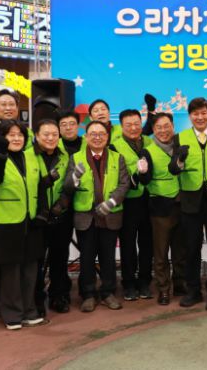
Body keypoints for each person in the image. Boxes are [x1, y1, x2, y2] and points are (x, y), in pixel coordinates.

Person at [0, 120, 45, 330]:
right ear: (1, 138)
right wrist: (1, 154)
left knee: (30, 270)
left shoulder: (32, 159)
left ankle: (30, 310)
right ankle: (12, 313)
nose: (16, 138)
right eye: (11, 135)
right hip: (7, 222)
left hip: (31, 221)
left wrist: (42, 213)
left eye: (20, 135)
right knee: (11, 272)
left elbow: (41, 186)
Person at [63, 120, 130, 312]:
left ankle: (108, 292)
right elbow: (67, 187)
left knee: (108, 257)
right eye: (93, 134)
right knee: (87, 257)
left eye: (101, 134)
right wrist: (75, 177)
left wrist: (112, 202)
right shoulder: (76, 158)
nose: (97, 137)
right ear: (86, 137)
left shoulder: (118, 158)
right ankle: (88, 294)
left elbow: (124, 184)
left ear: (107, 137)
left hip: (110, 215)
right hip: (86, 217)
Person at [169, 98, 207, 310]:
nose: (200, 117)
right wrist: (180, 161)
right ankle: (193, 291)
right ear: (190, 116)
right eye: (195, 114)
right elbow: (173, 169)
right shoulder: (180, 137)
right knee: (191, 249)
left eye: (203, 113)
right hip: (190, 201)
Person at [137, 113, 187, 306]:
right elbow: (145, 179)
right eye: (159, 127)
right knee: (160, 253)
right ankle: (164, 289)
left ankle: (180, 283)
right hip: (160, 209)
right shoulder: (147, 151)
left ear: (173, 126)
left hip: (183, 205)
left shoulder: (180, 146)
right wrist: (142, 172)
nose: (163, 130)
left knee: (180, 250)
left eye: (167, 126)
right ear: (153, 130)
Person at [112, 109, 154, 302]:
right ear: (121, 126)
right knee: (128, 244)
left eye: (137, 123)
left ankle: (145, 281)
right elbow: (116, 176)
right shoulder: (115, 146)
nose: (133, 128)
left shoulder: (150, 142)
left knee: (147, 244)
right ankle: (128, 283)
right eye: (128, 125)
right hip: (128, 201)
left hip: (149, 199)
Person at [33, 119, 72, 314]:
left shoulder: (66, 156)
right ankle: (37, 300)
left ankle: (58, 296)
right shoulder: (28, 156)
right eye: (46, 134)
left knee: (59, 258)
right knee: (37, 261)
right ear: (37, 136)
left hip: (60, 216)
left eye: (54, 134)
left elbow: (70, 182)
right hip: (37, 218)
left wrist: (62, 202)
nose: (50, 138)